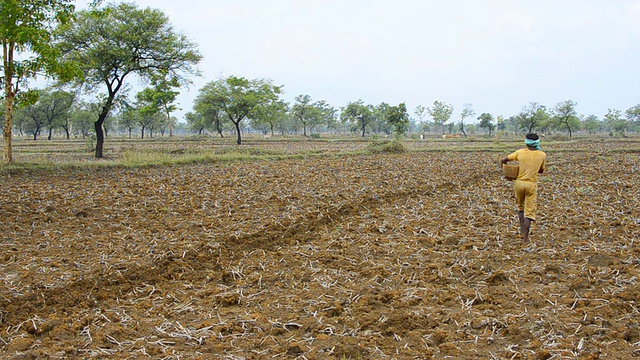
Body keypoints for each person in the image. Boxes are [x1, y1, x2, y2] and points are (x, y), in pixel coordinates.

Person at [500, 133, 546, 242]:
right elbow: (541, 170)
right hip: (531, 184)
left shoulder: (520, 152)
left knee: (521, 208)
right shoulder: (542, 155)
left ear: (526, 142)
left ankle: (521, 231)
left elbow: (503, 160)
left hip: (519, 183)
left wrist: (506, 169)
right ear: (537, 143)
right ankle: (525, 237)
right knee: (529, 211)